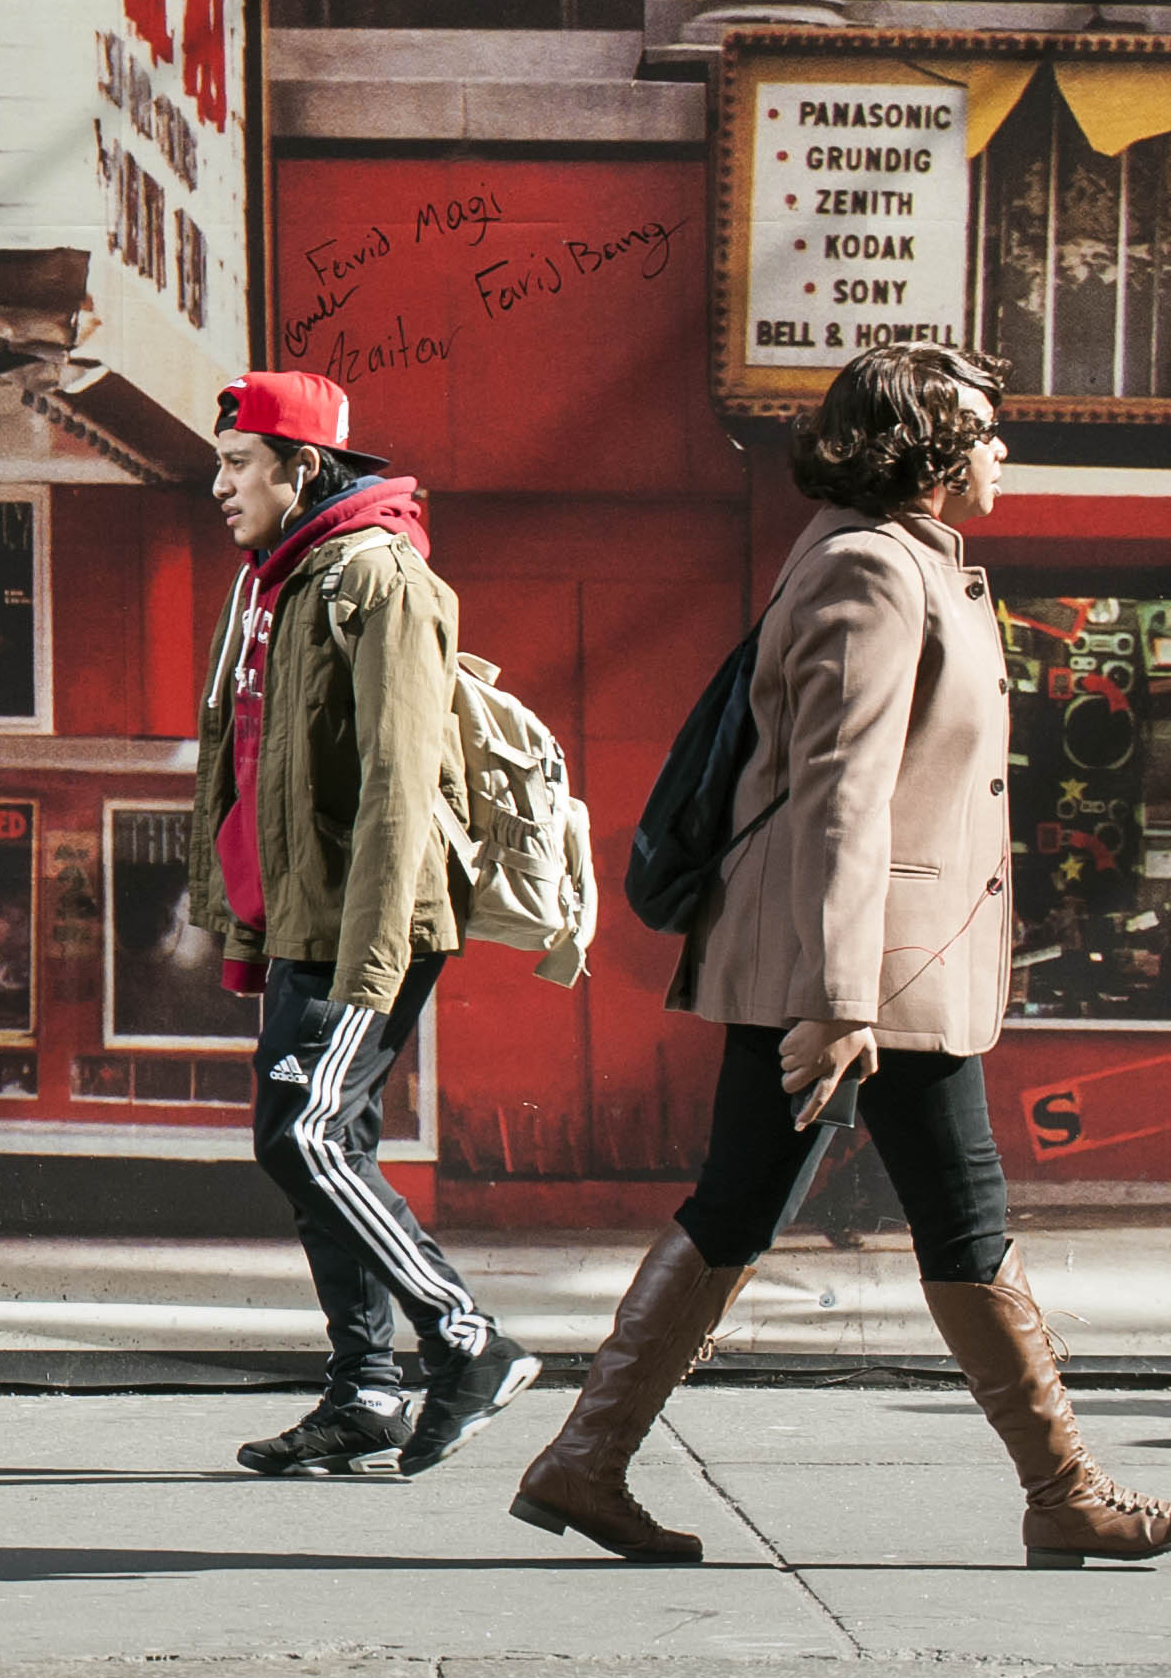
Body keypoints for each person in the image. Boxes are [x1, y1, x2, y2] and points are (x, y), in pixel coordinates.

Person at [515, 344, 1170, 1567]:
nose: (998, 450)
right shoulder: (869, 573)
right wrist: (836, 999)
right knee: (951, 1220)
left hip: (876, 966)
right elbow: (836, 797)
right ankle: (1061, 1491)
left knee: (748, 1207)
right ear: (919, 445)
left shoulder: (905, 566)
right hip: (866, 971)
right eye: (979, 428)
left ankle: (583, 1460)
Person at [190, 368, 537, 1481]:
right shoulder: (276, 582)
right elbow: (246, 768)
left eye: (238, 465)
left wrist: (370, 958)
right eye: (218, 463)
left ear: (304, 469)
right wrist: (246, 926)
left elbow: (400, 779)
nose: (219, 486)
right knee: (300, 1143)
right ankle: (364, 1393)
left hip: (364, 920)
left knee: (304, 1132)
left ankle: (464, 1341)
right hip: (302, 914)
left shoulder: (378, 579)